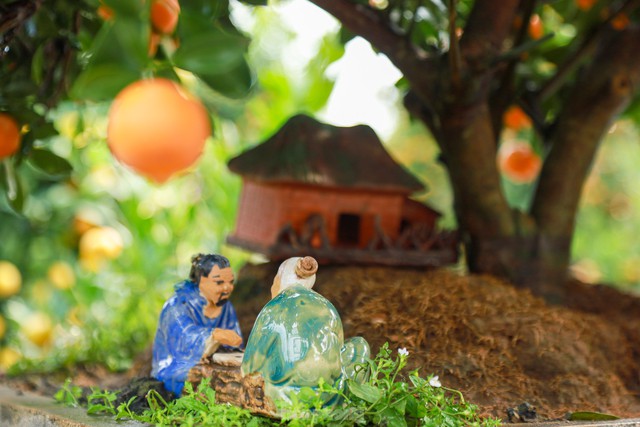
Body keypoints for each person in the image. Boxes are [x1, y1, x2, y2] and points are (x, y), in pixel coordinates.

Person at [241, 256, 370, 406]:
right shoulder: (327, 307)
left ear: (280, 278)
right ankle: (349, 400)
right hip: (328, 395)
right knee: (359, 345)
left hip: (284, 396)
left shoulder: (274, 308)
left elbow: (249, 366)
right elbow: (336, 358)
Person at [152, 253, 243, 396]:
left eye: (231, 282)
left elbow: (234, 343)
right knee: (201, 378)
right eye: (219, 282)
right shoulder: (177, 305)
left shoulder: (225, 306)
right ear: (201, 281)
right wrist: (213, 335)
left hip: (212, 362)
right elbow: (184, 340)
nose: (227, 288)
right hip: (176, 365)